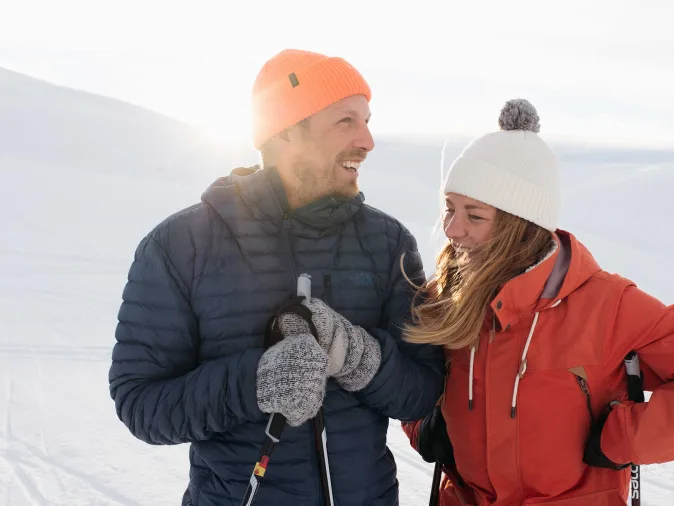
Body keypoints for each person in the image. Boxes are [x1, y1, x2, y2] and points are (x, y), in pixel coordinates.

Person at [108, 48, 445, 506]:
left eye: (367, 120)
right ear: (286, 132)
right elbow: (141, 404)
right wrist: (255, 383)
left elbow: (423, 393)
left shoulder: (389, 244)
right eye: (346, 121)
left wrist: (362, 359)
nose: (367, 140)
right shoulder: (181, 245)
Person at [397, 99, 674, 505]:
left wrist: (623, 438)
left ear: (520, 225)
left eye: (474, 215)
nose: (451, 229)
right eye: (449, 209)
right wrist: (422, 423)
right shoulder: (446, 298)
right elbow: (407, 378)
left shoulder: (609, 304)